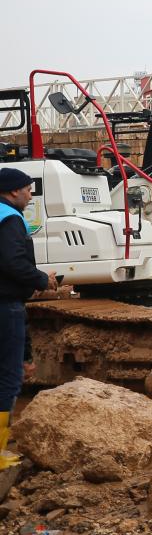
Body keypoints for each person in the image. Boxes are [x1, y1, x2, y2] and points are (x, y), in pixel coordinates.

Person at [0, 168, 57, 470]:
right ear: (12, 192)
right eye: (27, 189)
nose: (30, 194)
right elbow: (11, 261)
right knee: (8, 379)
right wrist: (39, 279)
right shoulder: (9, 218)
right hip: (5, 303)